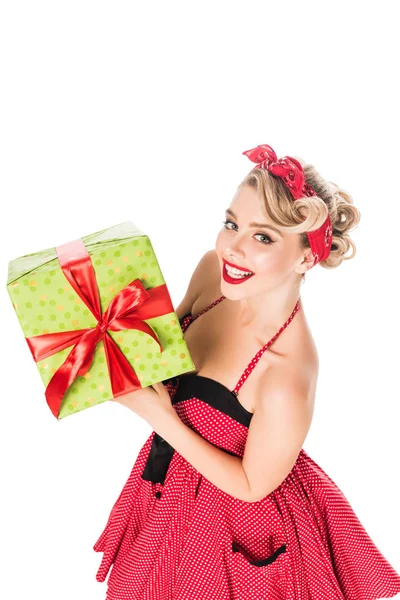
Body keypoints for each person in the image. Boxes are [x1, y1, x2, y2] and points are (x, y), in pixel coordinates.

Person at [93, 144, 400, 599]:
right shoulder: (212, 272)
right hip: (169, 491)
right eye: (231, 223)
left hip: (239, 530)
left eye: (264, 237)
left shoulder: (286, 374)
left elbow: (253, 485)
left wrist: (157, 417)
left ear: (305, 258)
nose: (232, 248)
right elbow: (167, 356)